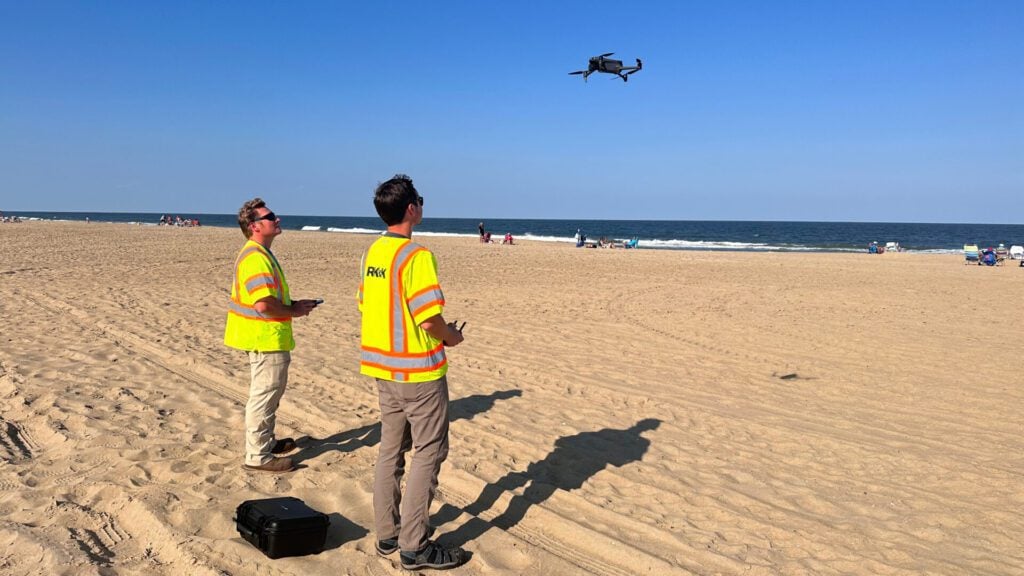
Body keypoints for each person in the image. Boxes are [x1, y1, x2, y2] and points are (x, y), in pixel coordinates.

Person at [358, 175, 466, 570]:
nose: (421, 205)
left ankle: (388, 534)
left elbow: (366, 304)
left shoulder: (374, 253)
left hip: (383, 369)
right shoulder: (416, 256)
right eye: (419, 199)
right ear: (410, 209)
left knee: (391, 450)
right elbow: (428, 318)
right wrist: (450, 336)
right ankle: (414, 546)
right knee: (428, 453)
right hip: (418, 371)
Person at [224, 198, 318, 473]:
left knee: (269, 394)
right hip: (264, 338)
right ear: (254, 226)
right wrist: (294, 310)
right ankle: (258, 456)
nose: (277, 219)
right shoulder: (255, 257)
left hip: (265, 337)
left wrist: (293, 307)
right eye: (270, 216)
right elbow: (263, 305)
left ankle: (266, 442)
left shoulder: (261, 253)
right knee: (264, 396)